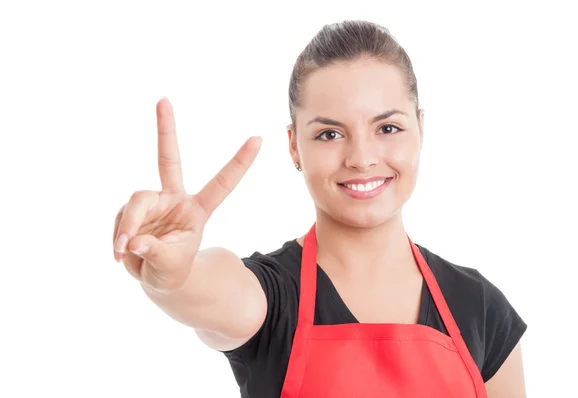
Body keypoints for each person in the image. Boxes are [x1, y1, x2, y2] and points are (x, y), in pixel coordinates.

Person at [112, 20, 527, 398]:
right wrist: (176, 274)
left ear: (421, 128)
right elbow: (208, 290)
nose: (362, 158)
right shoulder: (272, 298)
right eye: (330, 134)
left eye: (387, 128)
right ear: (294, 145)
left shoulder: (480, 307)